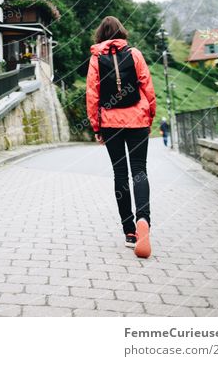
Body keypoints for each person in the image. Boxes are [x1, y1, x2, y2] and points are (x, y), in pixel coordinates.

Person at [86, 15, 156, 258]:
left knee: (120, 173)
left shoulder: (96, 59)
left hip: (110, 123)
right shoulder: (135, 54)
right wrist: (150, 115)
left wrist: (96, 127)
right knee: (139, 170)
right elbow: (147, 86)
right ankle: (143, 218)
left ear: (101, 36)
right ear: (121, 33)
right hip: (137, 118)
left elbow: (92, 95)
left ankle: (129, 232)